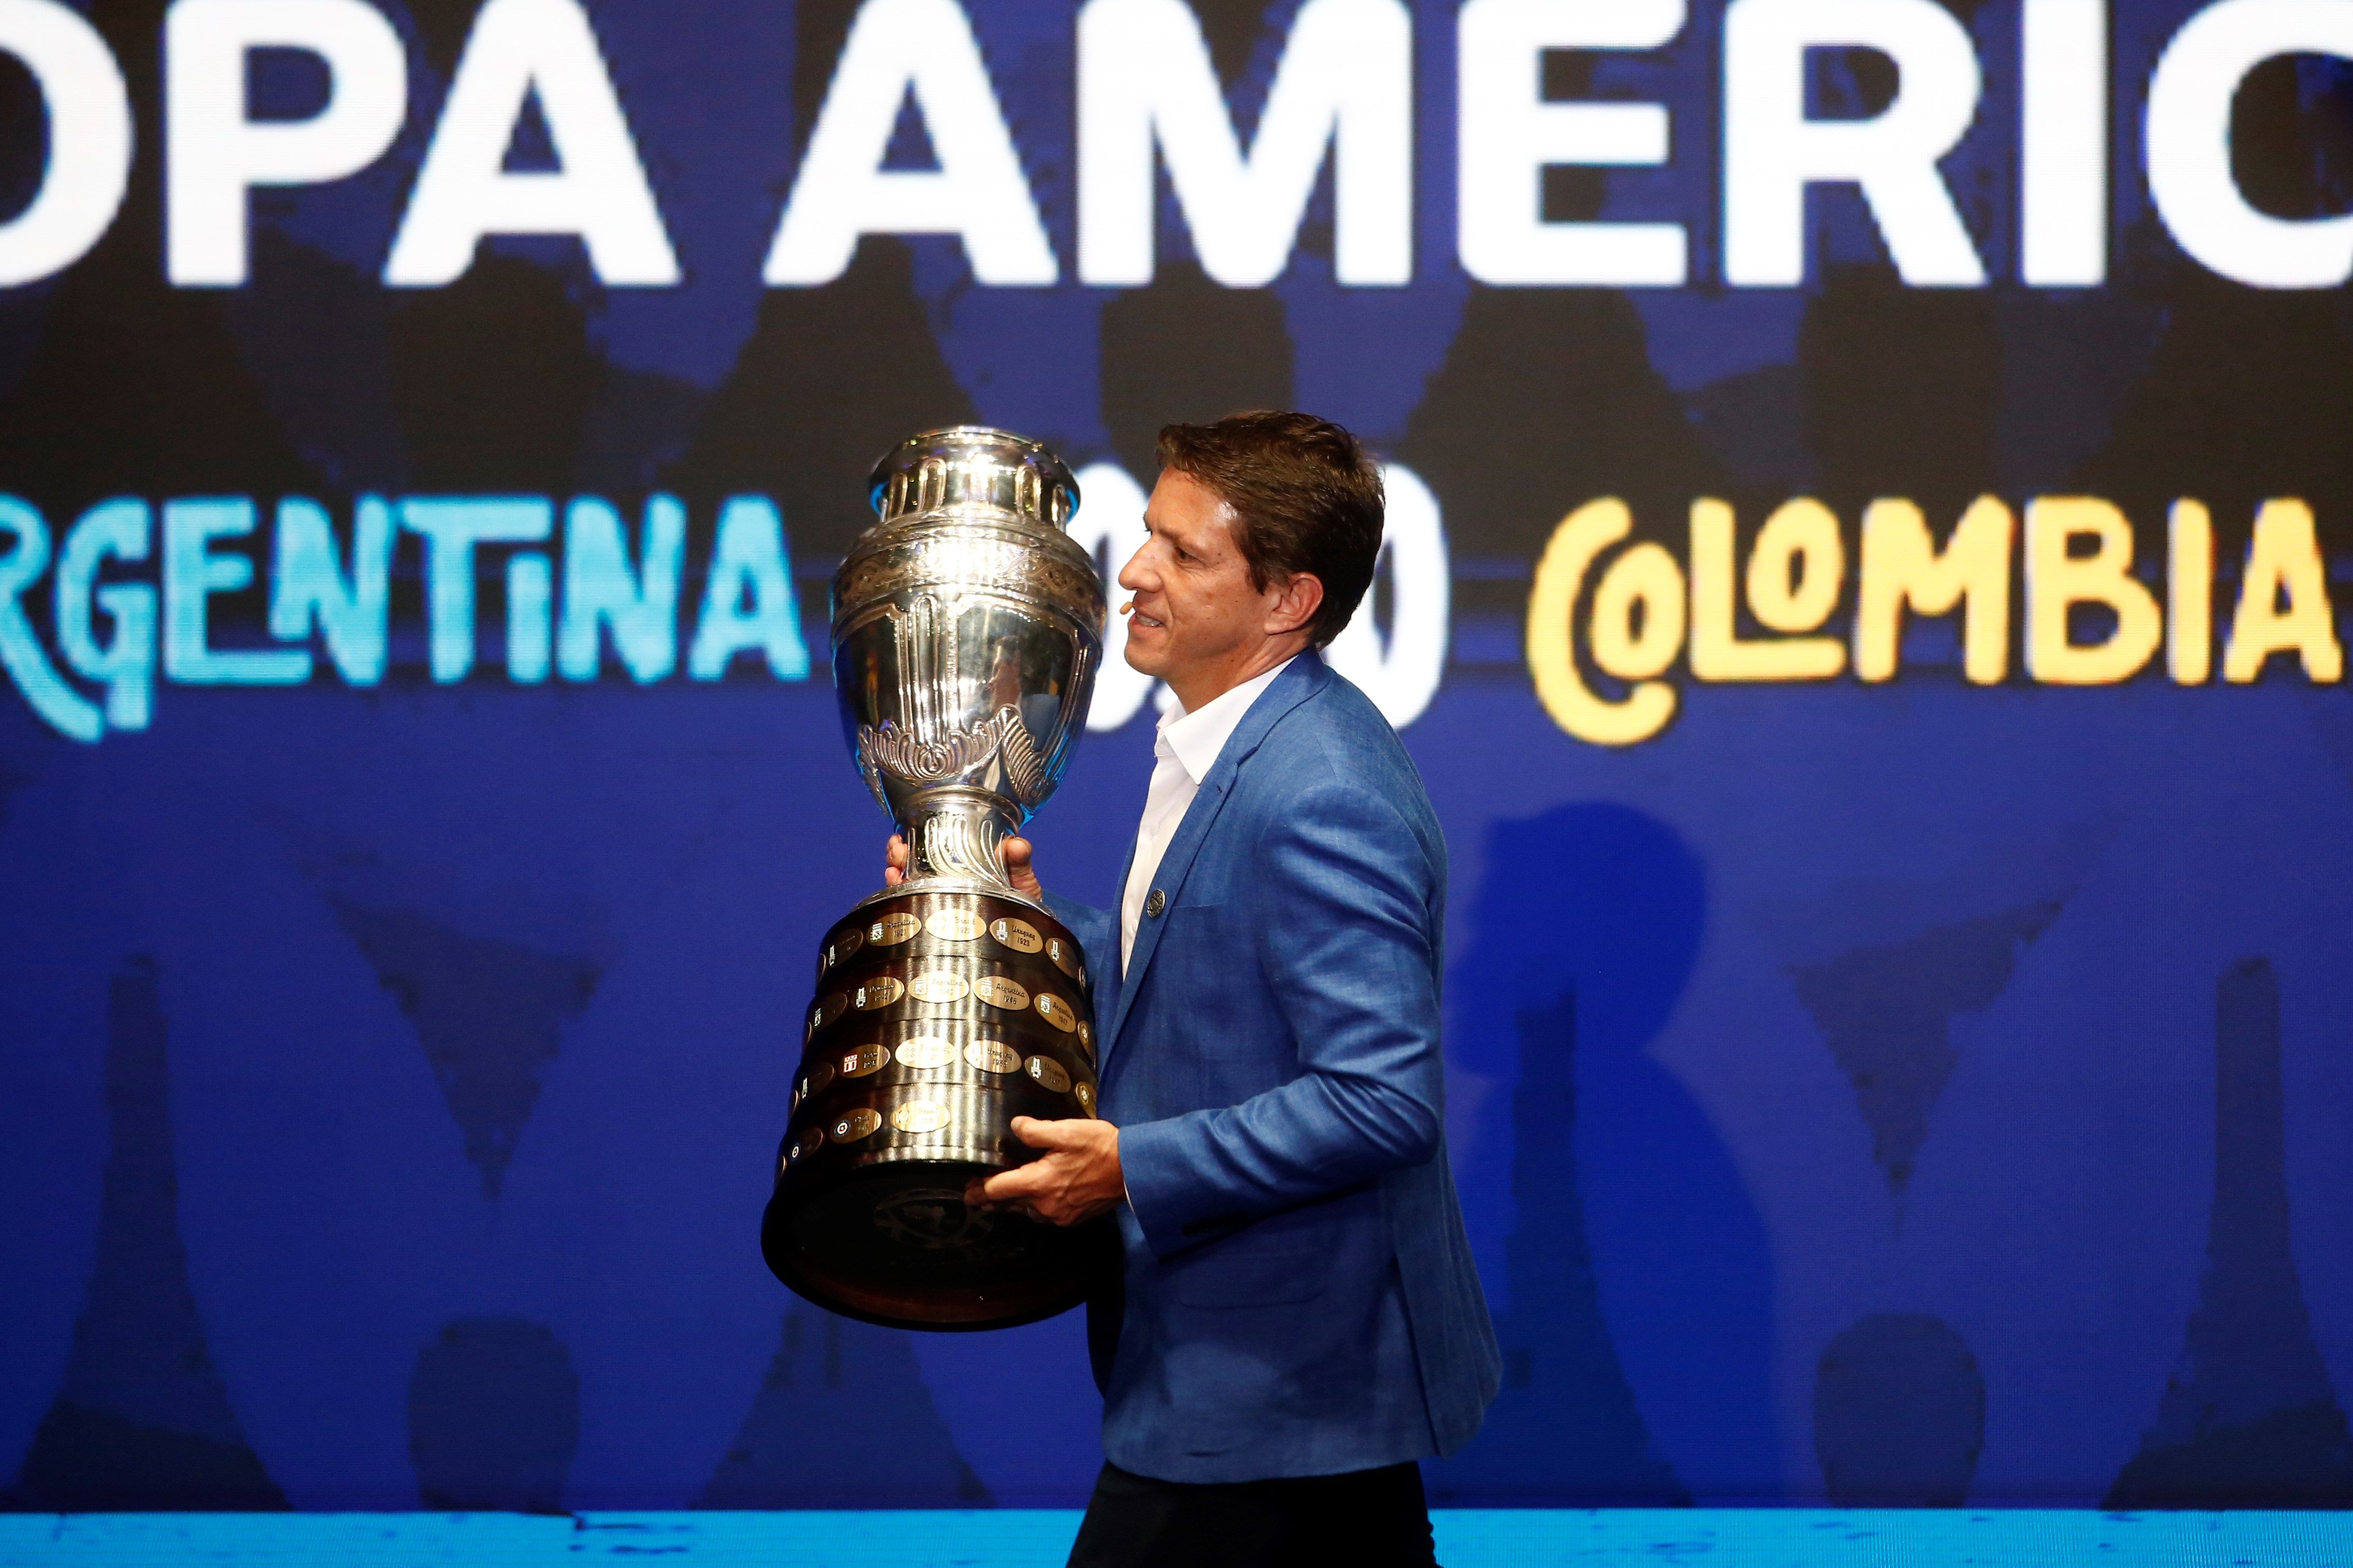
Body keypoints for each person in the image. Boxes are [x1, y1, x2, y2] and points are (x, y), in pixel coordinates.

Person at [887, 411, 1497, 1566]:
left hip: (1277, 1386)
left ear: (1286, 601)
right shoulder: (1223, 742)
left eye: (1183, 552)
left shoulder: (1321, 790)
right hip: (1259, 1386)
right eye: (1147, 537)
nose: (1134, 572)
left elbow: (1381, 1099)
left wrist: (1131, 1167)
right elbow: (1193, 980)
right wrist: (1024, 924)